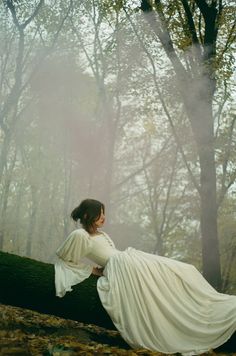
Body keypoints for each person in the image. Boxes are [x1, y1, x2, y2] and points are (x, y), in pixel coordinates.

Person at [54, 198, 236, 355]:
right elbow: (64, 258)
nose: (103, 217)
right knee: (162, 282)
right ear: (87, 216)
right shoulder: (80, 235)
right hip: (123, 267)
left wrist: (102, 266)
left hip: (128, 261)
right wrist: (90, 270)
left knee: (182, 270)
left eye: (103, 213)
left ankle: (207, 306)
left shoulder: (100, 234)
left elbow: (106, 253)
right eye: (100, 213)